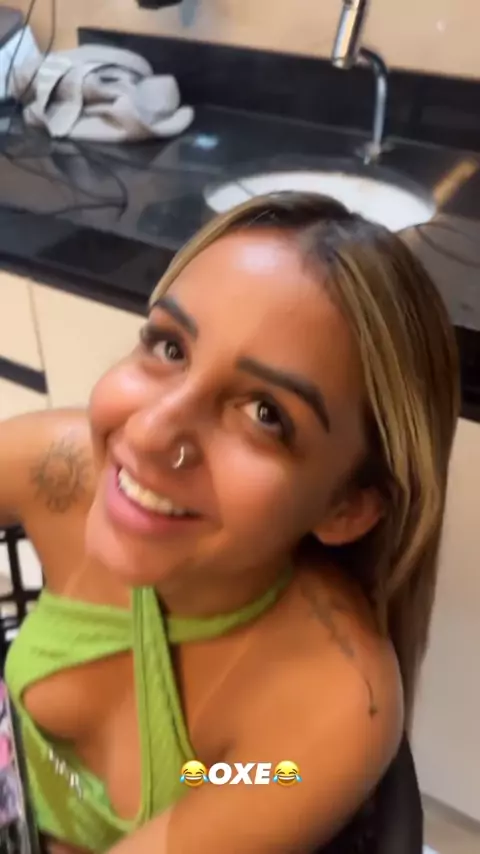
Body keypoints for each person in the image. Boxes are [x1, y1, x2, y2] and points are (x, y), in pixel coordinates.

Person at [0, 193, 459, 854]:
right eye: (170, 346)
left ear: (347, 507)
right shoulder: (62, 471)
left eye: (266, 414)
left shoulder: (330, 702)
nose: (150, 433)